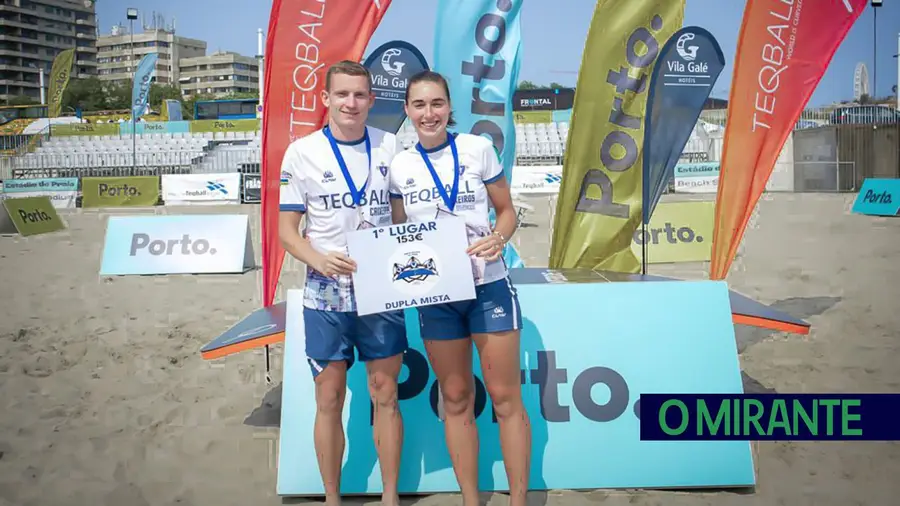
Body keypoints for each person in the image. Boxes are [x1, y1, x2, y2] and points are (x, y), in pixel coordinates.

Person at [388, 70, 531, 506]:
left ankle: (519, 500)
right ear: (407, 110)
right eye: (419, 105)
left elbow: (507, 212)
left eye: (436, 104)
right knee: (455, 397)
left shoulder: (477, 148)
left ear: (449, 107)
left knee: (506, 399)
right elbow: (399, 234)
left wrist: (499, 238)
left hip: (488, 288)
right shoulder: (400, 166)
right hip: (438, 297)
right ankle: (471, 499)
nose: (428, 113)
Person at [278, 60, 407, 506]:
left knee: (385, 394)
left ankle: (390, 496)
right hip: (325, 292)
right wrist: (318, 257)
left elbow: (404, 217)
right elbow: (287, 233)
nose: (351, 103)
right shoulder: (301, 152)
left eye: (359, 95)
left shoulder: (391, 146)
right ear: (326, 99)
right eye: (342, 94)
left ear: (372, 100)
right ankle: (332, 498)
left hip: (381, 290)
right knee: (329, 399)